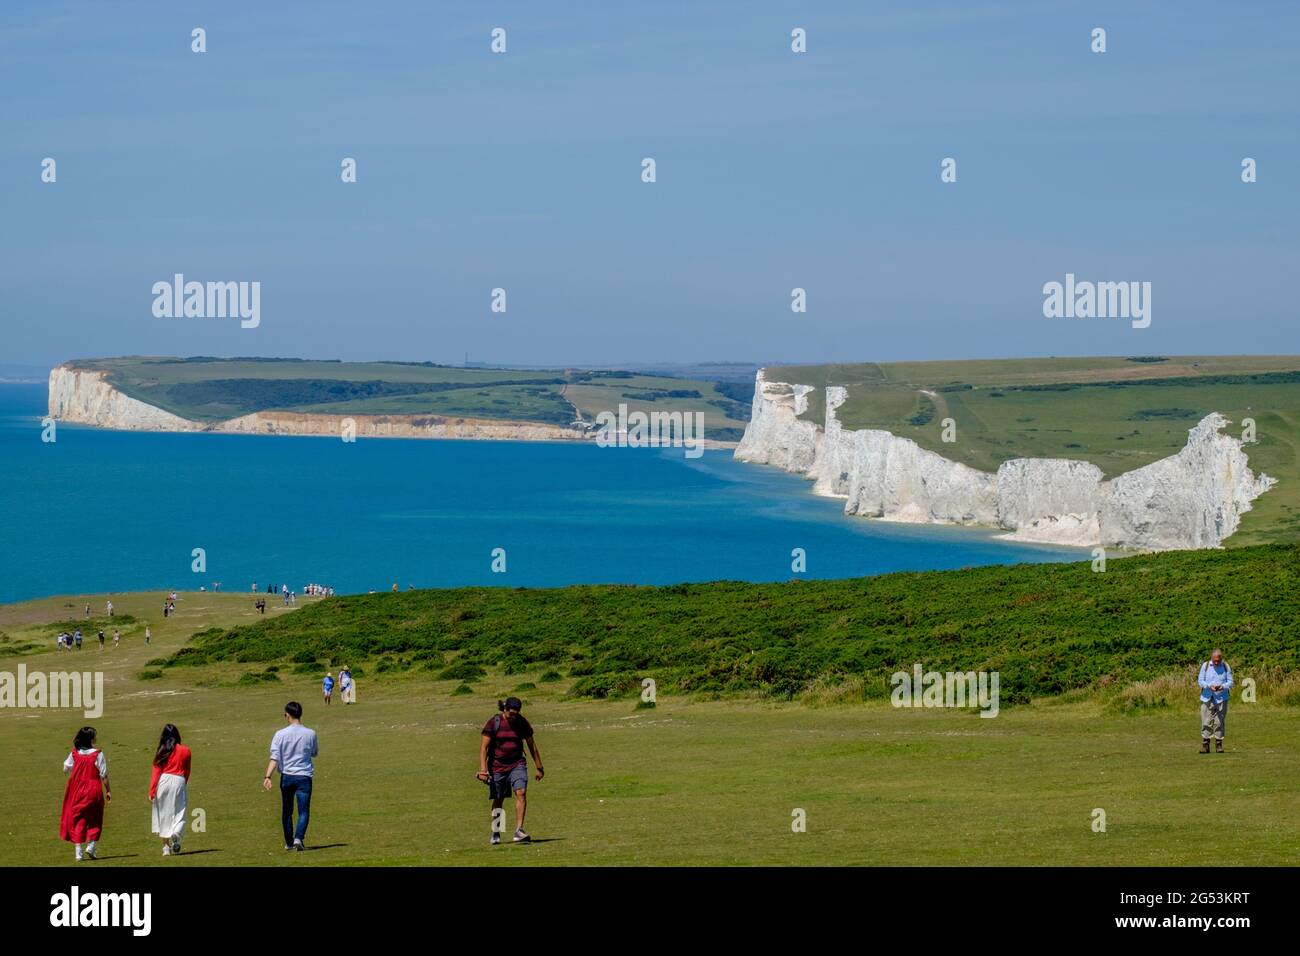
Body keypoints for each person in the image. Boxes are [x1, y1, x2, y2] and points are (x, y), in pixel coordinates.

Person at [477, 697, 544, 845]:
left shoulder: (521, 722)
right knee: (499, 799)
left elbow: (532, 745)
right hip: (497, 767)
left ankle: (519, 830)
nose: (514, 716)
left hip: (517, 764)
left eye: (517, 713)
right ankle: (496, 831)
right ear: (504, 709)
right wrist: (483, 770)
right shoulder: (494, 722)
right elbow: (484, 748)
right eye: (511, 713)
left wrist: (539, 767)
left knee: (521, 792)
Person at [263, 701, 319, 851]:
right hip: (304, 776)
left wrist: (267, 776)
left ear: (287, 715)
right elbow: (314, 752)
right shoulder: (311, 733)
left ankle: (289, 842)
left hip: (287, 776)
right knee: (304, 810)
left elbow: (274, 757)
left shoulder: (280, 734)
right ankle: (298, 838)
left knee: (287, 811)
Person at [60, 726, 111, 861]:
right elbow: (103, 775)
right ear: (91, 739)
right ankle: (91, 845)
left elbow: (65, 768)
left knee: (78, 819)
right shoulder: (98, 754)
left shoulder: (75, 753)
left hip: (77, 790)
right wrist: (108, 790)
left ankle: (78, 852)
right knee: (95, 817)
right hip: (93, 788)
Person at [150, 724, 192, 856]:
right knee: (180, 811)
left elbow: (156, 771)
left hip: (163, 780)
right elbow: (187, 771)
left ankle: (165, 848)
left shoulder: (162, 750)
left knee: (163, 814)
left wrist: (152, 790)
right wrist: (183, 784)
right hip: (178, 780)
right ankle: (176, 833)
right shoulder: (185, 750)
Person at [1198, 649, 1234, 753]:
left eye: (1218, 660)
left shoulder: (1225, 666)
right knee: (1206, 721)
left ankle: (1219, 744)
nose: (1216, 662)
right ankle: (1205, 745)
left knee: (1219, 721)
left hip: (1222, 698)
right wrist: (1209, 686)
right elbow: (1200, 681)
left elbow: (1231, 682)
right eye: (1215, 661)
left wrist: (1222, 686)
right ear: (1211, 658)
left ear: (1221, 658)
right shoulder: (1205, 666)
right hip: (1207, 697)